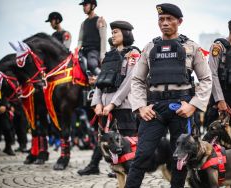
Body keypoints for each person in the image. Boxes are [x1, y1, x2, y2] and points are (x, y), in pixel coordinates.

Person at [125, 3, 212, 187]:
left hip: (182, 108)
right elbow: (137, 80)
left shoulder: (192, 47)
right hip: (154, 109)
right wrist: (141, 107)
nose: (164, 23)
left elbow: (206, 79)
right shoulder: (149, 47)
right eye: (161, 19)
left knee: (180, 159)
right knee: (142, 155)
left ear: (179, 21)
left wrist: (193, 105)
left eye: (169, 19)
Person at [78, 20, 140, 176]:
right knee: (105, 138)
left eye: (116, 32)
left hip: (124, 106)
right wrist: (97, 103)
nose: (113, 34)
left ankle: (126, 169)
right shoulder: (108, 56)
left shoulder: (133, 54)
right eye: (112, 32)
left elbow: (129, 82)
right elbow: (100, 81)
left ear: (125, 34)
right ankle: (95, 165)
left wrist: (112, 104)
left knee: (127, 140)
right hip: (104, 107)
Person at [78, 0, 107, 76]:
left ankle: (102, 78)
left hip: (95, 51)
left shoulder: (100, 21)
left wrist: (102, 56)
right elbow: (80, 40)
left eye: (85, 5)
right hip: (84, 51)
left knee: (91, 64)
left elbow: (103, 39)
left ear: (93, 6)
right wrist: (76, 52)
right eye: (83, 6)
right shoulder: (83, 23)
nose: (83, 7)